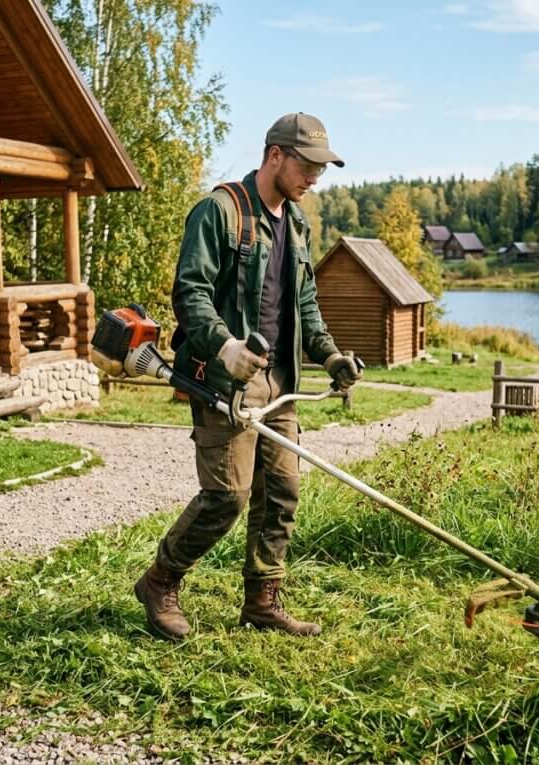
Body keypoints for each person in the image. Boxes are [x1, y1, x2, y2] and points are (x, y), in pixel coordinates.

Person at [131, 112, 362, 640]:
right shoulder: (219, 212)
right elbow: (191, 294)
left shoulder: (297, 225)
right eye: (307, 166)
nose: (314, 179)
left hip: (280, 382)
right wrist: (226, 346)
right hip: (223, 376)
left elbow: (305, 301)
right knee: (227, 497)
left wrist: (328, 356)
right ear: (275, 155)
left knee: (282, 491)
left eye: (322, 170)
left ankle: (262, 600)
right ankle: (160, 581)